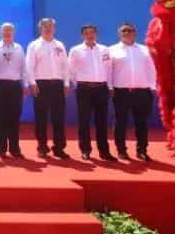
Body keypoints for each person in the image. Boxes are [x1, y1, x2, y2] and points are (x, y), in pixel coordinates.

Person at [109, 22, 156, 162]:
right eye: (124, 30)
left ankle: (142, 151)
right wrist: (110, 87)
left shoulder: (145, 50)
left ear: (135, 33)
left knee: (142, 123)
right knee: (120, 122)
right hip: (121, 92)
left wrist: (152, 87)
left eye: (130, 30)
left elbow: (151, 69)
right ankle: (121, 150)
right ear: (119, 33)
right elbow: (108, 71)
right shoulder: (112, 50)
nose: (127, 33)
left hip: (142, 92)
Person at [69, 23, 116, 161]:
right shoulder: (76, 50)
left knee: (101, 121)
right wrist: (77, 84)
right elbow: (70, 70)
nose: (89, 35)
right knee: (84, 120)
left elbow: (109, 69)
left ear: (96, 34)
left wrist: (110, 86)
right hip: (84, 89)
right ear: (82, 35)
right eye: (86, 33)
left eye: (92, 33)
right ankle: (85, 150)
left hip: (101, 88)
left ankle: (104, 151)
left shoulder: (104, 49)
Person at [26, 18, 70, 159]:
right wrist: (32, 83)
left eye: (50, 26)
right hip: (41, 85)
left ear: (54, 28)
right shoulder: (34, 45)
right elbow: (29, 66)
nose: (48, 28)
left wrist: (66, 83)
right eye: (45, 26)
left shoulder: (60, 45)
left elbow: (65, 66)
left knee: (59, 118)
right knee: (41, 118)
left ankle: (59, 148)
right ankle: (42, 147)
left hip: (58, 85)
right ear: (40, 29)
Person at [0, 22, 27, 158]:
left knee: (14, 119)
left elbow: (24, 68)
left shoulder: (19, 48)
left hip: (15, 86)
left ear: (13, 32)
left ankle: (15, 148)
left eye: (9, 30)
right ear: (0, 32)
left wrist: (25, 85)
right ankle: (2, 149)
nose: (7, 32)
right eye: (5, 30)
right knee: (0, 119)